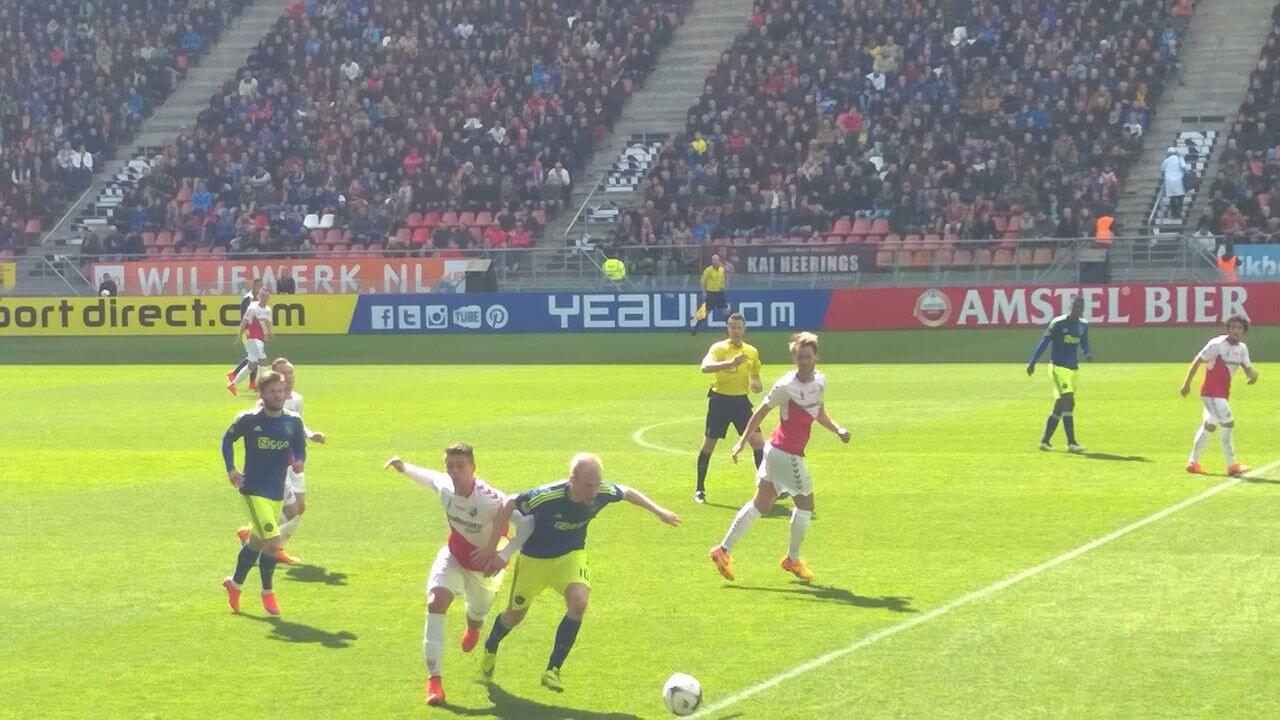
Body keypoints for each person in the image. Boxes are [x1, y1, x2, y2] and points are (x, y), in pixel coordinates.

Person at [475, 453, 679, 691]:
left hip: (571, 556)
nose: (593, 492)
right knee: (514, 616)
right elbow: (510, 502)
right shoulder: (547, 496)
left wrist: (659, 511)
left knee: (579, 602)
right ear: (573, 480)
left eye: (597, 484)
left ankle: (553, 670)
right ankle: (491, 644)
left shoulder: (602, 492)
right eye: (587, 485)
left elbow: (628, 492)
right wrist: (493, 550)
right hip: (535, 561)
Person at [384, 446, 533, 706]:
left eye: (460, 465)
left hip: (485, 568)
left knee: (477, 615)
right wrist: (404, 467)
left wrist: (503, 555)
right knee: (435, 602)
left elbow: (528, 524)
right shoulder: (445, 485)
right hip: (453, 555)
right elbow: (430, 478)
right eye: (449, 465)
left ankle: (473, 627)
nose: (453, 471)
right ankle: (434, 682)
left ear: (473, 468)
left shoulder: (490, 500)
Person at [709, 332, 851, 583]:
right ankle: (792, 559)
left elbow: (818, 412)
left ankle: (723, 550)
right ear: (794, 358)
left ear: (816, 356)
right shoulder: (786, 385)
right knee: (806, 505)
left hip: (776, 452)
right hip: (787, 453)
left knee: (760, 504)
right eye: (799, 357)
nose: (804, 361)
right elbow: (761, 412)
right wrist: (743, 441)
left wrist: (837, 429)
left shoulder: (819, 381)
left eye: (808, 356)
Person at [221, 371, 307, 616]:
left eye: (281, 391)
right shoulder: (248, 420)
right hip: (253, 491)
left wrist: (299, 461)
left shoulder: (292, 422)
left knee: (256, 543)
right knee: (273, 542)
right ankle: (268, 593)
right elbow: (227, 441)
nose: (279, 395)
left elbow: (300, 448)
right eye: (273, 392)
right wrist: (231, 469)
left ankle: (234, 585)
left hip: (276, 491)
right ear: (262, 394)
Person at [235, 358, 325, 564]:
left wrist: (311, 436)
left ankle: (254, 536)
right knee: (291, 512)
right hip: (277, 467)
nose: (289, 378)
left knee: (300, 509)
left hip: (295, 464)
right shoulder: (265, 404)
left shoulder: (298, 399)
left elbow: (297, 426)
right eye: (284, 374)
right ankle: (271, 547)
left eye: (292, 373)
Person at [696, 312, 765, 504]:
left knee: (759, 443)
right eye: (732, 327)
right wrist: (731, 363)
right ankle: (700, 489)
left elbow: (755, 373)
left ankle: (764, 487)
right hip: (720, 401)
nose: (735, 330)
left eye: (739, 327)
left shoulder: (751, 351)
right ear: (728, 328)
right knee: (709, 445)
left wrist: (756, 383)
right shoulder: (718, 348)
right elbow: (704, 367)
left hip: (741, 402)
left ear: (744, 329)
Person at [1181, 315, 1258, 476]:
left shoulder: (1242, 348)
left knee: (1210, 426)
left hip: (1222, 393)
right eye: (1233, 327)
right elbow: (1198, 360)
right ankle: (1232, 465)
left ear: (1244, 330)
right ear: (1227, 329)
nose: (1236, 330)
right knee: (1228, 423)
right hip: (1211, 392)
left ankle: (1192, 463)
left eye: (1239, 328)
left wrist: (1253, 375)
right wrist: (1187, 383)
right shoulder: (1217, 345)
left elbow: (1247, 368)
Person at [1027, 295, 1091, 453]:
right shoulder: (1058, 323)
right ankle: (1072, 443)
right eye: (1076, 306)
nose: (1079, 309)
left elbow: (1084, 342)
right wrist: (1033, 362)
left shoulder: (1083, 325)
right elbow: (1044, 342)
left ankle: (1045, 441)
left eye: (1081, 307)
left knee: (1061, 405)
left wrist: (1087, 352)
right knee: (1069, 401)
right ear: (1070, 307)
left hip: (1073, 370)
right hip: (1058, 368)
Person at [227, 287, 272, 396]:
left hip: (260, 338)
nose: (265, 298)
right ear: (259, 296)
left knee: (252, 365)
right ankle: (263, 388)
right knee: (263, 360)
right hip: (253, 337)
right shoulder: (253, 307)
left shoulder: (268, 309)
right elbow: (244, 322)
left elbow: (268, 323)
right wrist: (239, 337)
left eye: (267, 296)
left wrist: (269, 332)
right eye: (263, 296)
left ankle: (233, 385)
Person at [690, 254, 729, 334]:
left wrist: (722, 286)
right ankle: (696, 327)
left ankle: (729, 329)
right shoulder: (708, 270)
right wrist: (704, 291)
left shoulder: (721, 270)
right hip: (711, 293)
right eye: (714, 260)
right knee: (706, 312)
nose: (715, 262)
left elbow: (723, 278)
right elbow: (702, 281)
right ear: (712, 261)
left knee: (726, 311)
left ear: (719, 261)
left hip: (720, 293)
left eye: (716, 260)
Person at [1162, 147, 1189, 218]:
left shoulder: (1166, 160)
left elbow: (1162, 170)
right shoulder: (1180, 159)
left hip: (1169, 182)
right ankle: (1179, 212)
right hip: (1179, 180)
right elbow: (1184, 167)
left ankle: (1173, 213)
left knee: (1172, 197)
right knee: (1181, 196)